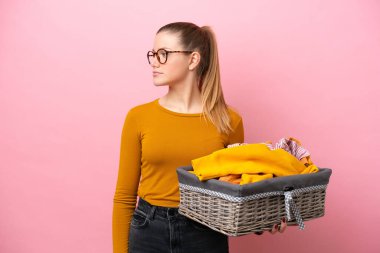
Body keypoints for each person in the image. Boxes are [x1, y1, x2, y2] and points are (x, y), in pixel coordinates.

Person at [112, 21, 245, 253]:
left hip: (205, 231)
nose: (154, 62)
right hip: (147, 230)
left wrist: (268, 219)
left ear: (193, 60)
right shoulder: (138, 117)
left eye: (163, 54)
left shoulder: (229, 121)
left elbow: (236, 189)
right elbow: (124, 197)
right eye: (152, 54)